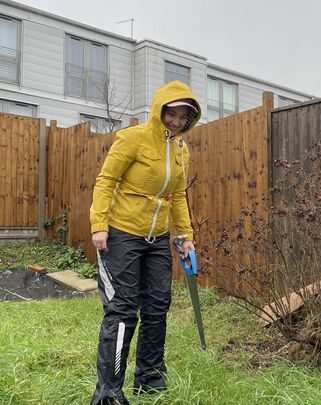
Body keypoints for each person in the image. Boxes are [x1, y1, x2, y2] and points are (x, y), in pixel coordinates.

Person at [89, 80, 201, 404]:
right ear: (160, 109)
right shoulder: (132, 139)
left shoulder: (181, 150)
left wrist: (185, 237)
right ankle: (108, 391)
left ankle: (150, 380)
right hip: (122, 232)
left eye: (183, 117)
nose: (177, 122)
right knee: (122, 310)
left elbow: (177, 195)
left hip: (158, 239)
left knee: (157, 306)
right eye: (172, 114)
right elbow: (106, 180)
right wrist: (99, 225)